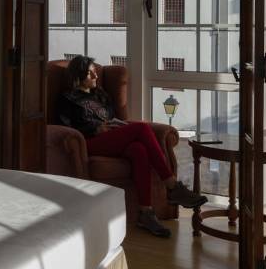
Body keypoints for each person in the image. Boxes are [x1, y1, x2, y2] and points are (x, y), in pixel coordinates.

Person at [55, 55, 207, 238]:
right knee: (141, 128)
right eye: (90, 73)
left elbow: (110, 116)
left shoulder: (100, 95)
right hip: (89, 143)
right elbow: (66, 127)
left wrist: (112, 125)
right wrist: (95, 128)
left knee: (139, 150)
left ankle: (146, 213)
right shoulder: (67, 99)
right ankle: (172, 186)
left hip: (110, 138)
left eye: (96, 72)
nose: (96, 76)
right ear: (78, 76)